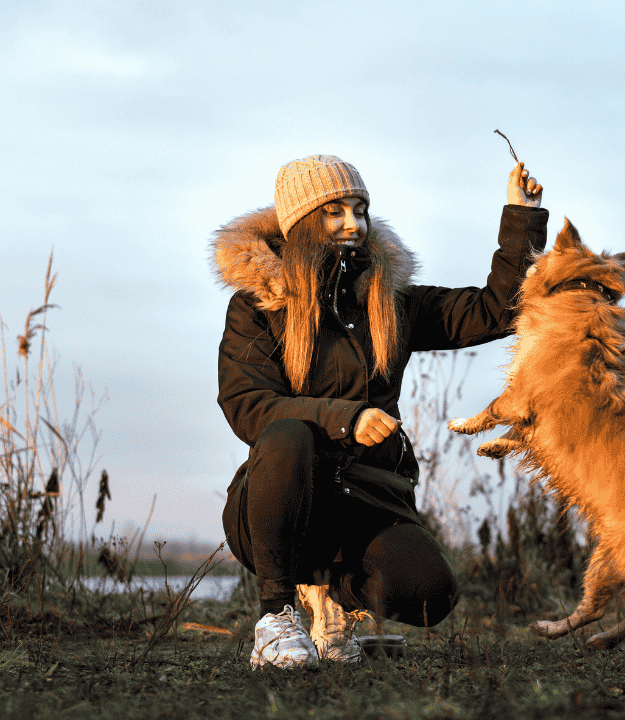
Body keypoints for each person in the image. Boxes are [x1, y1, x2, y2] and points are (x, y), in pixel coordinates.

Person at [212, 154, 547, 667]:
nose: (353, 224)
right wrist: (345, 419)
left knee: (429, 594)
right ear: (300, 222)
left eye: (360, 209)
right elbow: (248, 404)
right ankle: (276, 617)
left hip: (367, 496)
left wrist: (521, 217)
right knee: (286, 435)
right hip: (279, 502)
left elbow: (494, 311)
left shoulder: (391, 301)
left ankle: (331, 603)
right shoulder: (258, 306)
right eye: (335, 211)